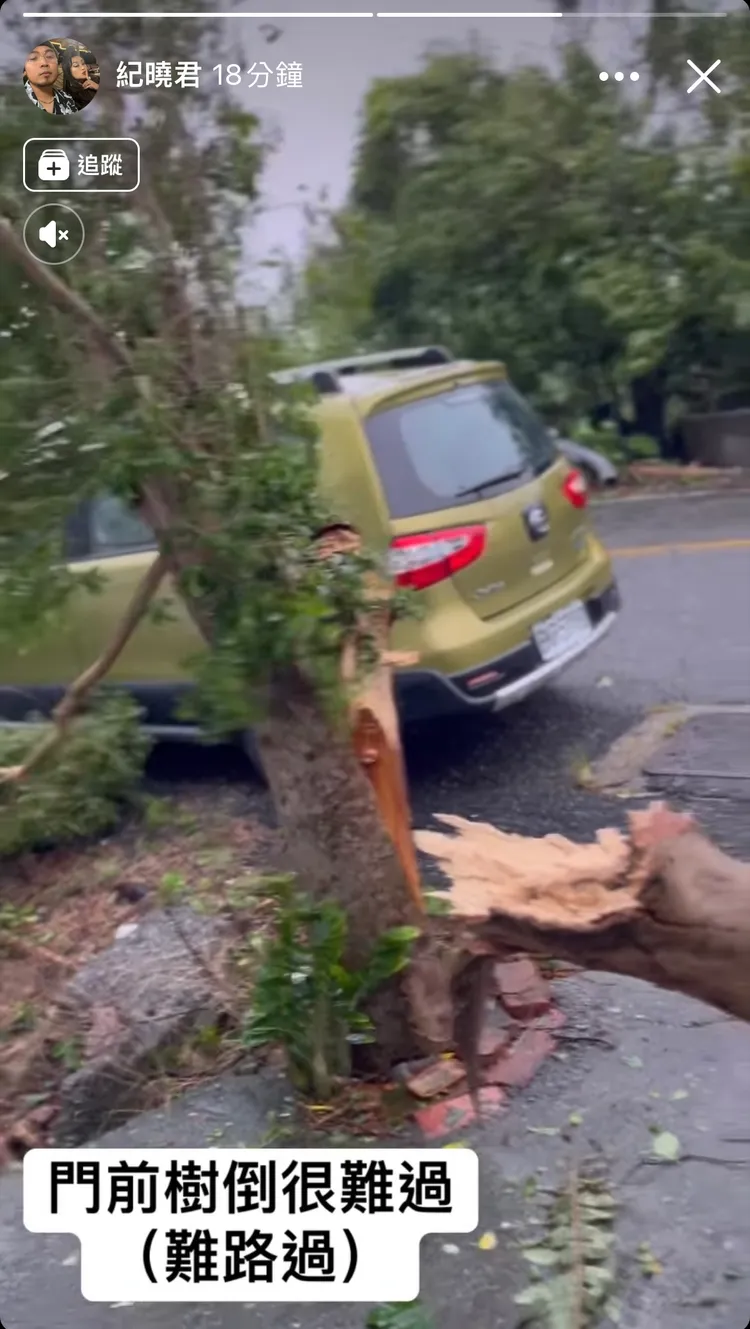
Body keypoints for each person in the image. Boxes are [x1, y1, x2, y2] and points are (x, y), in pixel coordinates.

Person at [23, 42, 77, 115]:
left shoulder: (67, 99)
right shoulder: (15, 101)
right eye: (33, 58)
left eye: (49, 56)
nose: (44, 63)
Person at [61, 46, 99, 111]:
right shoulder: (70, 96)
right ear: (68, 71)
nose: (83, 67)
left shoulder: (96, 79)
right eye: (76, 65)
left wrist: (96, 86)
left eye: (83, 63)